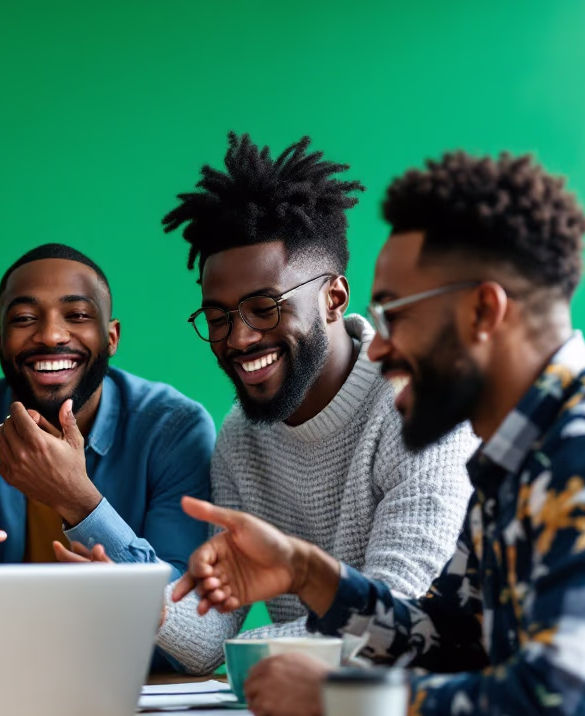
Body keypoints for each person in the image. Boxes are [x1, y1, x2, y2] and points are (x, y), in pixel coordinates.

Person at [181, 150, 585, 716]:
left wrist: (337, 698)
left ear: (483, 312)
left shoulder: (582, 450)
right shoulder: (516, 458)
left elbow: (562, 705)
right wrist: (304, 571)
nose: (380, 347)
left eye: (397, 316)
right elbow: (444, 639)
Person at [110, 133, 475, 674]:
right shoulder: (241, 437)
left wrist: (256, 645)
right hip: (311, 706)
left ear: (334, 298)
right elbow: (211, 634)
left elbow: (396, 619)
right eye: (217, 317)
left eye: (265, 308)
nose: (238, 338)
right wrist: (142, 600)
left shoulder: (417, 407)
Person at [0, 243, 215, 575]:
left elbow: (181, 596)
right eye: (24, 318)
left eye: (77, 315)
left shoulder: (174, 430)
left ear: (111, 337)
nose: (50, 336)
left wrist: (76, 500)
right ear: (0, 340)